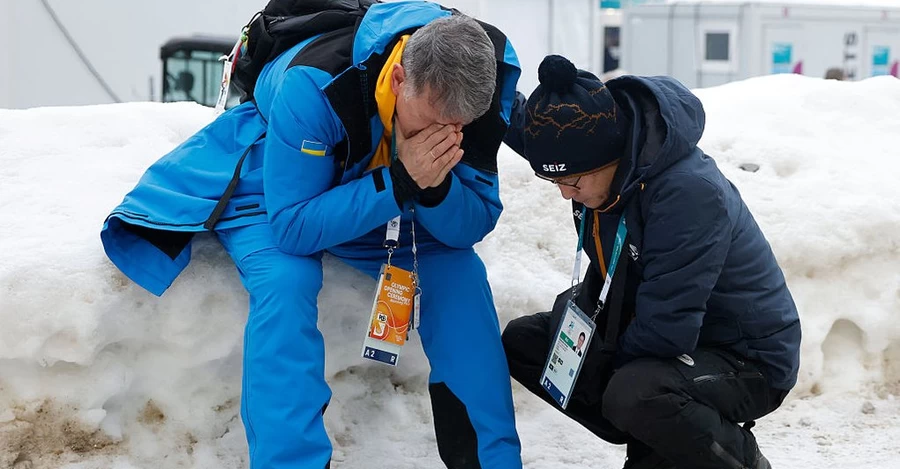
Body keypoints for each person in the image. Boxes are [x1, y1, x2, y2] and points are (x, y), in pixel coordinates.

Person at [100, 3, 523, 468]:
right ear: (400, 78)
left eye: (458, 127)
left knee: (461, 275)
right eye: (431, 122)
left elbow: (473, 223)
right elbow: (293, 227)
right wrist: (400, 181)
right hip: (279, 185)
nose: (444, 137)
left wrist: (435, 185)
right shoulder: (314, 84)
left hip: (385, 191)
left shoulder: (480, 85)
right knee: (286, 282)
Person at [501, 55, 801, 469]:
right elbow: (528, 128)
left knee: (633, 393)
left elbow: (667, 328)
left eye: (572, 181)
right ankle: (658, 431)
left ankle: (738, 458)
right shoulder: (596, 154)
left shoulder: (687, 194)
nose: (565, 193)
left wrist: (602, 363)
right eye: (555, 181)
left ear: (610, 156)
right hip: (652, 326)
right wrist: (480, 66)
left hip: (743, 355)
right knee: (526, 343)